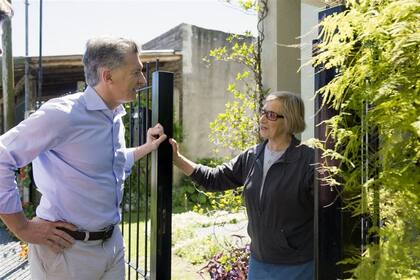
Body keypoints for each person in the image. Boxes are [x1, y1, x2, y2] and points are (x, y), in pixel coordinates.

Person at [0, 36, 167, 279]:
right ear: (107, 76)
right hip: (67, 252)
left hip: (112, 246)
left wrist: (146, 148)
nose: (142, 80)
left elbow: (112, 165)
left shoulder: (114, 117)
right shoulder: (62, 114)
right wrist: (21, 228)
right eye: (136, 72)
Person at [170, 91, 315, 280]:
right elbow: (214, 179)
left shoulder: (307, 160)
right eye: (263, 112)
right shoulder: (252, 156)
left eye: (271, 115)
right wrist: (177, 159)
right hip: (259, 262)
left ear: (289, 121)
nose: (262, 119)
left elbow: (329, 213)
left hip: (297, 265)